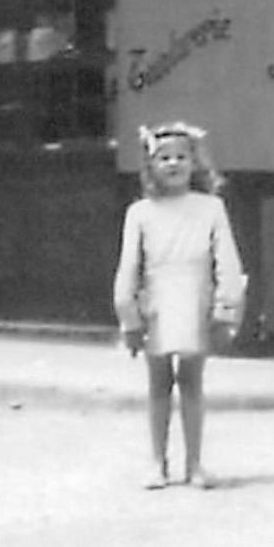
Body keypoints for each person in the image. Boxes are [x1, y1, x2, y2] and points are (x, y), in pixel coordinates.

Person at [113, 121, 246, 490]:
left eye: (181, 157)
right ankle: (157, 463)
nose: (173, 164)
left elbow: (227, 261)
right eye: (164, 158)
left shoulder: (211, 208)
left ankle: (196, 463)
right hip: (155, 300)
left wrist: (225, 308)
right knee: (158, 384)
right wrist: (128, 315)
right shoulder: (140, 212)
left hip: (194, 299)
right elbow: (128, 266)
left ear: (195, 162)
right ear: (150, 165)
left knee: (191, 381)